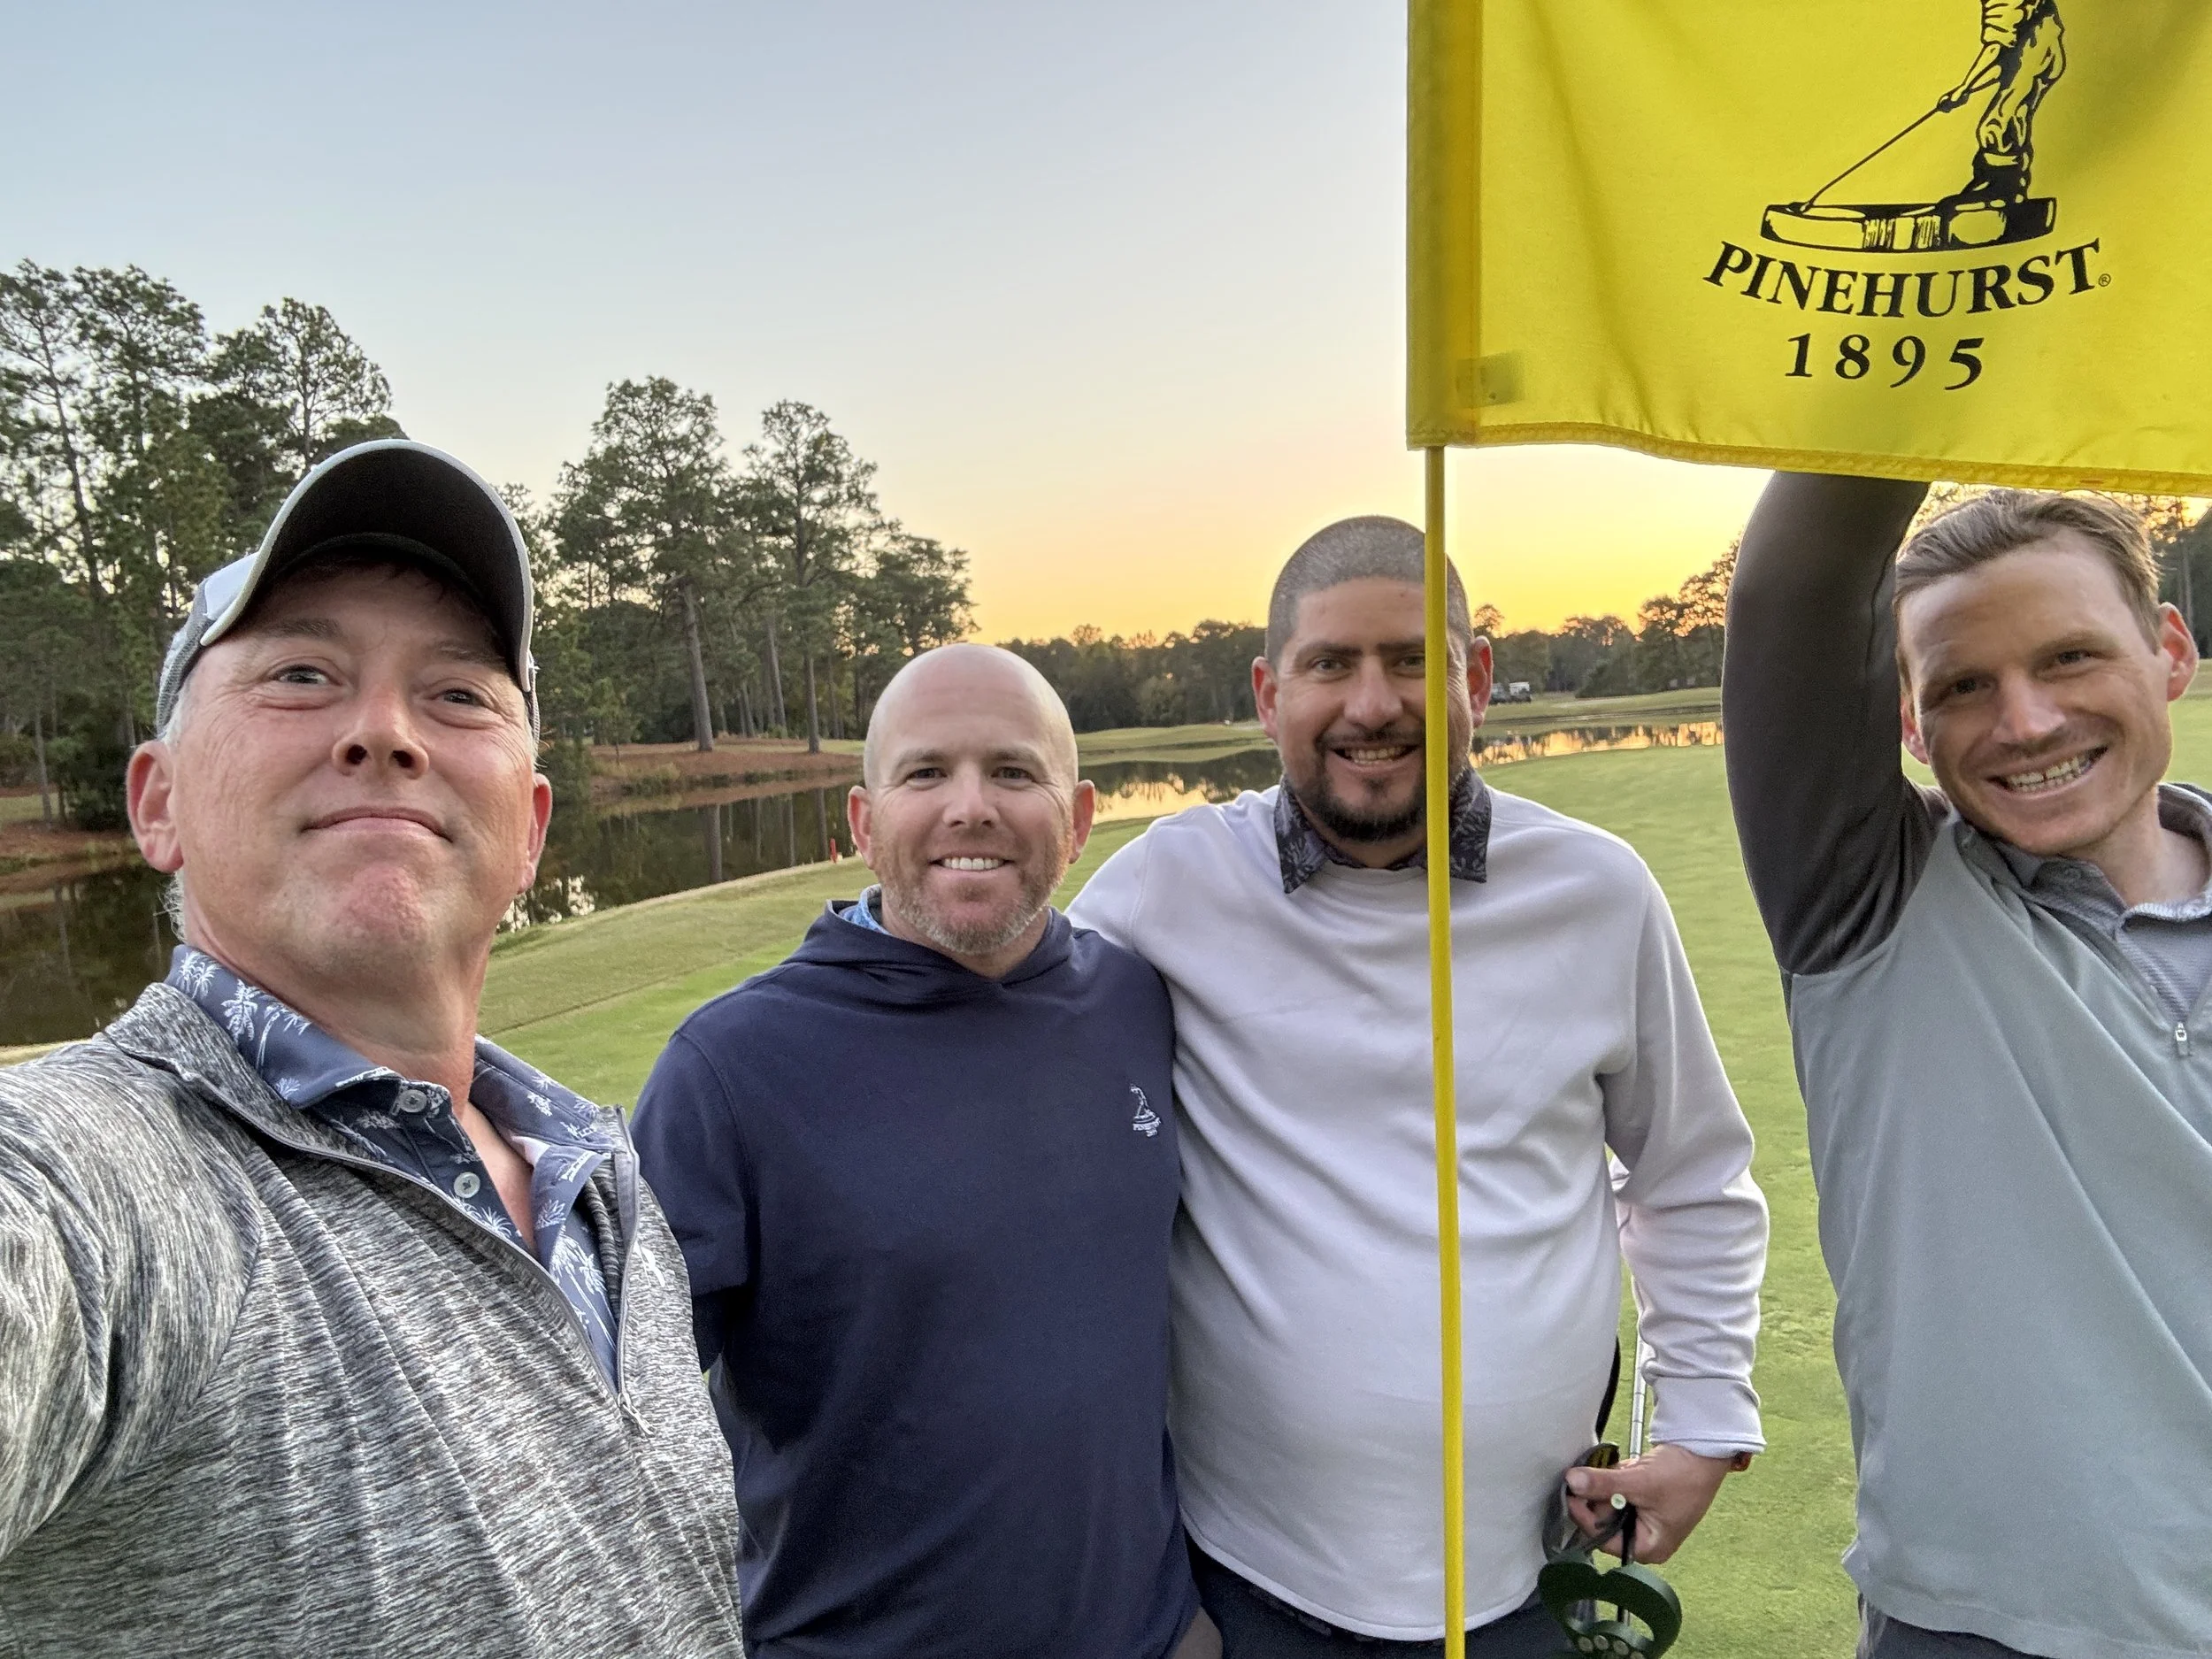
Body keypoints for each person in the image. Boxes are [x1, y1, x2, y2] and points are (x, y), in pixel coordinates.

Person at [0, 441, 745, 1656]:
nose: (386, 731)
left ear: (531, 835)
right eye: (302, 672)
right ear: (158, 801)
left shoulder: (596, 1171)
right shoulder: (108, 1183)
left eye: (458, 693)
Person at [1067, 518, 1769, 1658]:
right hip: (1247, 1577)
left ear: (1475, 676)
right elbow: (998, 1037)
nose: (1374, 703)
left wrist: (1699, 1430)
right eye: (1329, 664)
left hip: (1527, 1577)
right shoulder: (1164, 888)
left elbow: (1690, 1173)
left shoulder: (1597, 893)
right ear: (1266, 693)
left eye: (1411, 659)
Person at [632, 643, 1209, 1659]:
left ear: (1077, 822)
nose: (970, 807)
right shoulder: (729, 1072)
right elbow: (625, 1439)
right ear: (864, 824)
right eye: (926, 772)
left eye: (1014, 771)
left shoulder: (1134, 1004)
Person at [1724, 475, 2212, 1659]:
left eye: (2069, 657)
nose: (2028, 721)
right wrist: (1947, 306)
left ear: (2170, 652)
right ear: (1907, 722)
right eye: (1961, 686)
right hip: (1987, 1629)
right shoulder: (1872, 909)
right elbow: (1799, 583)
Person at [1938, 0, 2065, 205]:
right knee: (2014, 122)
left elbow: (1996, 51)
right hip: (2036, 52)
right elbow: (2000, 61)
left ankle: (2003, 192)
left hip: (2036, 53)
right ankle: (2007, 190)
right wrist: (1966, 90)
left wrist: (1964, 89)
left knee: (1995, 127)